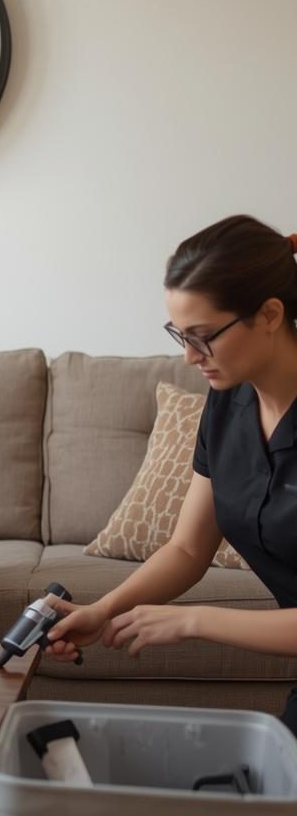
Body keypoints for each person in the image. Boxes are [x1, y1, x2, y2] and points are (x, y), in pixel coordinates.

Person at [46, 215, 297, 735]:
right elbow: (188, 549)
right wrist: (103, 610)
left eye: (203, 338)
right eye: (180, 336)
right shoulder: (227, 405)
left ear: (270, 314)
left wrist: (193, 619)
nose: (187, 357)